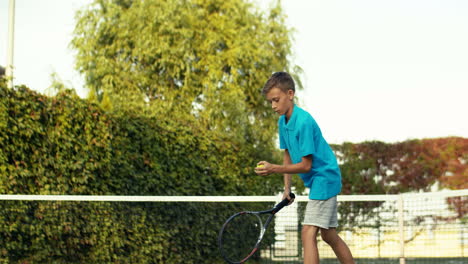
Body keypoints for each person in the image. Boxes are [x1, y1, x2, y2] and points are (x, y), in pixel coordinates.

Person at [255, 72, 355, 264]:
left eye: (276, 100)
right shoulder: (282, 122)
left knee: (307, 232)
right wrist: (287, 189)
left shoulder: (304, 121)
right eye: (270, 102)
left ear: (290, 94)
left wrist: (273, 168)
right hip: (319, 178)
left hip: (324, 177)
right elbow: (287, 154)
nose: (273, 106)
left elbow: (306, 165)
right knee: (329, 236)